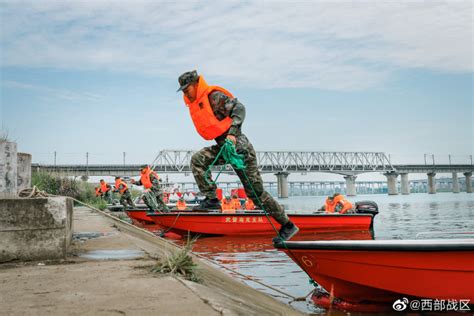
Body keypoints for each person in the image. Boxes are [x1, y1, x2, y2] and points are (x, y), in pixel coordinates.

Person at [177, 70, 298, 241]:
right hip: (223, 148)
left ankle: (288, 225)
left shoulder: (214, 97)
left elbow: (239, 108)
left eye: (186, 89)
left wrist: (232, 134)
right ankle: (211, 199)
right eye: (182, 90)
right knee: (198, 159)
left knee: (256, 194)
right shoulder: (198, 103)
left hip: (240, 149)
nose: (185, 93)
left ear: (196, 84)